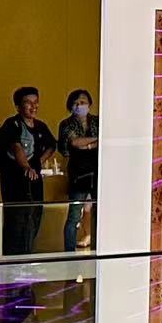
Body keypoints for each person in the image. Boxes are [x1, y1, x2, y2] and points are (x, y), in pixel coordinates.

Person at [0, 87, 58, 257]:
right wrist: (26, 167)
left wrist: (37, 163)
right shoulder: (11, 124)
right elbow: (17, 147)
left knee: (34, 217)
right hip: (14, 181)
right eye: (28, 103)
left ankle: (27, 257)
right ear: (18, 106)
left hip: (34, 182)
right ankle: (12, 261)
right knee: (16, 220)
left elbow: (52, 145)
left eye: (36, 102)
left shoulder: (41, 126)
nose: (33, 106)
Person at [57, 89, 100, 252]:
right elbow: (74, 142)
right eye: (76, 103)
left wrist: (87, 145)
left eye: (82, 102)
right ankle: (69, 253)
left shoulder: (97, 121)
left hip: (97, 173)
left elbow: (106, 140)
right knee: (74, 215)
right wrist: (96, 141)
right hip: (78, 173)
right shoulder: (66, 124)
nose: (79, 105)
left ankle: (98, 249)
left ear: (89, 104)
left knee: (98, 212)